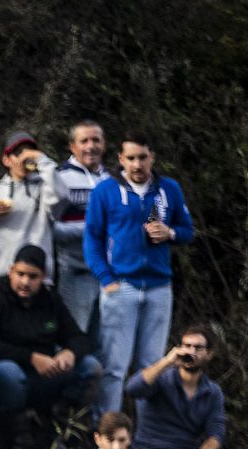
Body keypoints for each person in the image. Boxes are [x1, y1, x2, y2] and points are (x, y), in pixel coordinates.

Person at [86, 131, 196, 413]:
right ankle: (108, 435)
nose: (137, 165)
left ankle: (148, 440)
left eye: (142, 158)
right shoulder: (105, 190)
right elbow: (92, 240)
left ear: (152, 158)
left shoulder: (168, 189)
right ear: (121, 159)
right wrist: (106, 279)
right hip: (121, 286)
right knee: (114, 368)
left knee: (153, 366)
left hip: (159, 287)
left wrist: (169, 232)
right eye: (131, 158)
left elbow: (187, 231)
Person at [0, 244, 102, 449]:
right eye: (20, 274)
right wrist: (31, 358)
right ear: (11, 271)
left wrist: (69, 352)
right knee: (7, 373)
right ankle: (16, 443)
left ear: (44, 278)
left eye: (33, 277)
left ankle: (63, 430)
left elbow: (79, 338)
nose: (25, 282)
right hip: (5, 380)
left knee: (91, 366)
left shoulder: (50, 301)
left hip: (46, 378)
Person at [0, 130, 60, 285]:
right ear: (6, 160)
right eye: (19, 153)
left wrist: (42, 160)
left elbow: (61, 196)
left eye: (30, 152)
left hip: (38, 281)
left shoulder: (45, 188)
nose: (25, 157)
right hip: (1, 279)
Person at [52, 120, 111, 333]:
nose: (90, 146)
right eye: (84, 141)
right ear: (72, 146)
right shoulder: (59, 179)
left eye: (96, 140)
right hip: (76, 272)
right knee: (73, 337)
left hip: (111, 273)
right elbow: (49, 229)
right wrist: (89, 229)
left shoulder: (113, 180)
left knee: (106, 342)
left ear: (104, 144)